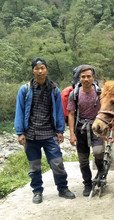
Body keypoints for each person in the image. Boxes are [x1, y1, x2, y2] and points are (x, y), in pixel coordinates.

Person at [14, 57, 76, 204]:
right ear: (33, 70)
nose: (40, 71)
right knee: (34, 166)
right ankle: (37, 191)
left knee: (57, 163)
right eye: (37, 68)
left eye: (42, 68)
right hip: (31, 134)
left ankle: (62, 188)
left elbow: (59, 111)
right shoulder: (25, 90)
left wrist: (60, 130)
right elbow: (20, 111)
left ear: (47, 70)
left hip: (49, 133)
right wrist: (20, 132)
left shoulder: (54, 89)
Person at [67, 65, 105, 197]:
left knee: (98, 152)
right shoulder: (74, 94)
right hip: (81, 129)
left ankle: (101, 171)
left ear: (93, 77)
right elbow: (71, 114)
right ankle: (87, 184)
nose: (86, 79)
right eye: (83, 77)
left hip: (97, 128)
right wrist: (71, 134)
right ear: (79, 78)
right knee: (83, 161)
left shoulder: (100, 93)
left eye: (89, 76)